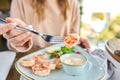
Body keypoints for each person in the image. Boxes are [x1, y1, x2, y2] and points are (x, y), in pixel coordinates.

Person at [0, 0, 90, 52]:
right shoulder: (20, 1)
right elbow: (12, 43)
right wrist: (18, 41)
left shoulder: (72, 2)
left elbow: (73, 36)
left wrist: (78, 42)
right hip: (30, 59)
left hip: (63, 61)